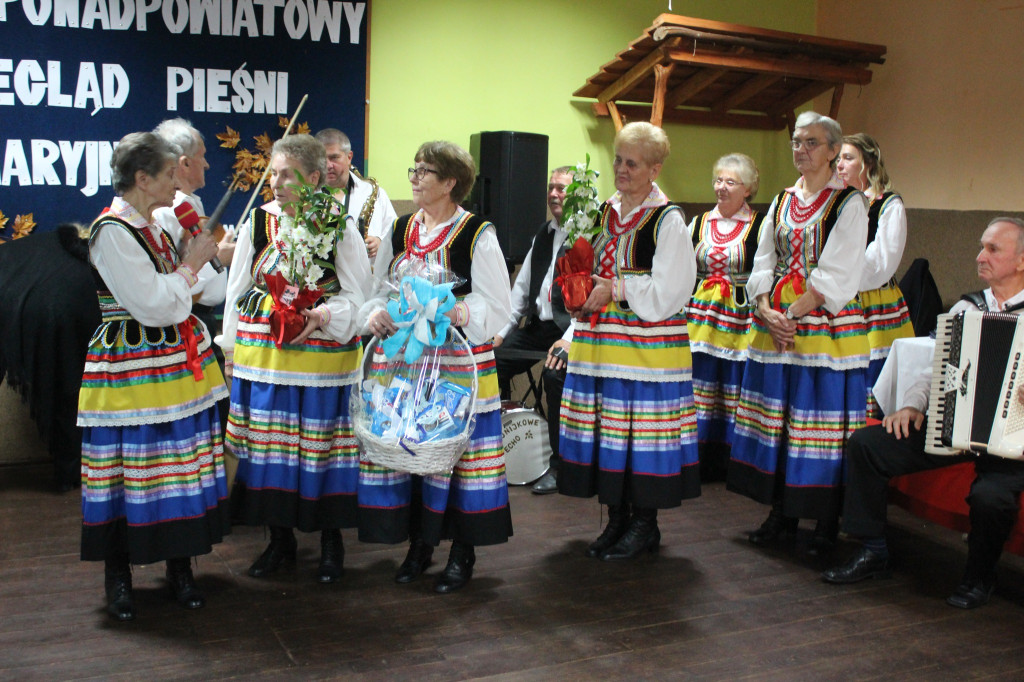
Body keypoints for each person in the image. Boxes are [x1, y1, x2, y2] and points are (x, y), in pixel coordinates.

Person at [823, 217, 1024, 609]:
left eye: (993, 250)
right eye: (981, 247)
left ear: (1021, 261)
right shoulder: (969, 307)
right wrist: (913, 404)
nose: (980, 256)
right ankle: (873, 549)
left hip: (1010, 443)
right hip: (953, 426)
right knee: (867, 444)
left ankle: (978, 578)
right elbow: (938, 368)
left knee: (990, 498)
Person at [77, 132, 230, 621]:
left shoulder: (153, 228)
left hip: (169, 367)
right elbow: (154, 304)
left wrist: (194, 258)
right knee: (130, 469)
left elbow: (185, 293)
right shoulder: (112, 231)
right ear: (142, 179)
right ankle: (118, 576)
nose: (176, 183)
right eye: (168, 175)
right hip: (132, 372)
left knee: (175, 466)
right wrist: (190, 266)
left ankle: (178, 566)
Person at [362, 140, 513, 594]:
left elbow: (498, 307)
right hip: (407, 364)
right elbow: (376, 290)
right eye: (414, 168)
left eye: (425, 171)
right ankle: (420, 544)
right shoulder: (402, 228)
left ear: (450, 183)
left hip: (457, 365)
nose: (414, 176)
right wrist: (376, 313)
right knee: (414, 449)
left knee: (460, 457)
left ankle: (462, 552)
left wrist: (457, 313)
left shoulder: (476, 233)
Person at [220, 134, 371, 584]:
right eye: (273, 174)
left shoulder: (339, 225)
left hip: (322, 365)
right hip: (265, 364)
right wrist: (229, 349)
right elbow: (236, 291)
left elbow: (359, 297)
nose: (276, 183)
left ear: (314, 177)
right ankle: (279, 540)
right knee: (270, 451)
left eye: (286, 175)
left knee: (321, 450)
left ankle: (330, 542)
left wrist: (325, 313)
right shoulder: (258, 224)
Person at [727, 111, 870, 555]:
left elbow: (838, 272)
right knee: (782, 419)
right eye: (796, 142)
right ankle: (782, 513)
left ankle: (825, 520)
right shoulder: (782, 200)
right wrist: (766, 308)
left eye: (811, 143)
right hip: (779, 322)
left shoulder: (849, 203)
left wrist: (791, 314)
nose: (801, 150)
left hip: (824, 325)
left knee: (817, 421)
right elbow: (764, 259)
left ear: (832, 151)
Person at [557, 121, 700, 561]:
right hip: (601, 347)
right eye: (617, 159)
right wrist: (577, 293)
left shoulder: (668, 220)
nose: (620, 169)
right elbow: (583, 266)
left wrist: (615, 288)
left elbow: (671, 293)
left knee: (641, 439)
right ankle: (616, 518)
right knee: (610, 435)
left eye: (631, 163)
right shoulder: (602, 211)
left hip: (646, 354)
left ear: (655, 169)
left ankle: (644, 524)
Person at [493, 166, 574, 494]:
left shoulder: (588, 235)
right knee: (492, 360)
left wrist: (568, 339)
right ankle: (498, 451)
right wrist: (499, 332)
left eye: (562, 189)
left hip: (572, 329)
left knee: (554, 376)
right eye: (551, 188)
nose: (554, 194)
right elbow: (521, 291)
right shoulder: (543, 234)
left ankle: (559, 466)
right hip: (540, 326)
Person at [686, 153, 765, 481]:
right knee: (698, 384)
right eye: (718, 180)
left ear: (747, 189)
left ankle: (733, 458)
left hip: (739, 317)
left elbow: (765, 272)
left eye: (730, 182)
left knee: (734, 384)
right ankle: (696, 456)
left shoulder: (760, 225)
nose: (721, 187)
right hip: (702, 318)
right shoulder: (699, 223)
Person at [836, 133, 914, 416]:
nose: (840, 165)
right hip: (836, 299)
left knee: (870, 380)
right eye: (837, 159)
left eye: (848, 158)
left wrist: (840, 278)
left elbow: (881, 262)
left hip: (873, 303)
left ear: (867, 163)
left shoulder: (887, 204)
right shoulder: (833, 204)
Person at [152, 118, 233, 368]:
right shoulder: (168, 210)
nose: (207, 164)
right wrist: (222, 257)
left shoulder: (189, 204)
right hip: (184, 320)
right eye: (203, 156)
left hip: (201, 320)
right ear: (185, 163)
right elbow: (172, 276)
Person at [315, 128, 398, 263]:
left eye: (334, 158)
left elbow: (395, 233)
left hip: (367, 278)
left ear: (349, 157)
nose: (328, 165)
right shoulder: (307, 197)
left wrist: (380, 242)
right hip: (323, 279)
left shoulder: (374, 193)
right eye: (322, 159)